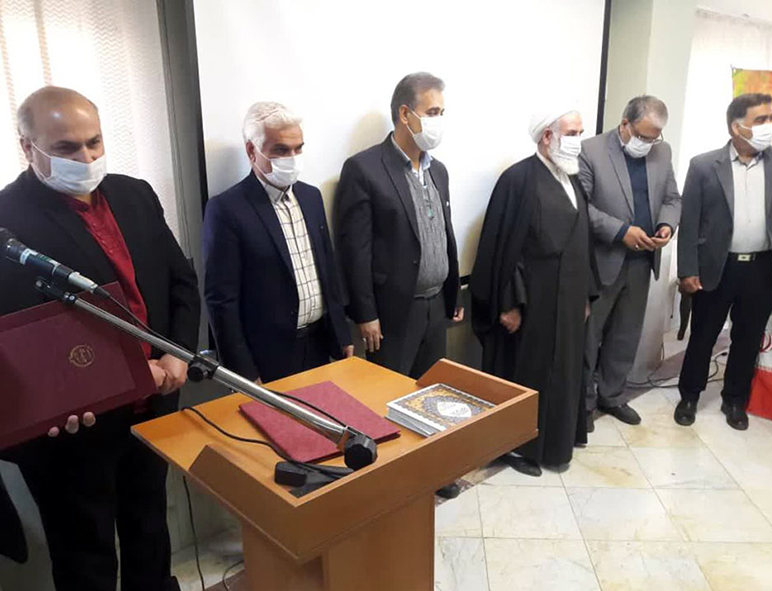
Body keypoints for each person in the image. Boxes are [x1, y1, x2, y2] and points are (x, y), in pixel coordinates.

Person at [0, 86, 200, 591]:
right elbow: (16, 343)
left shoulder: (135, 194)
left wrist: (177, 352)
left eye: (94, 142)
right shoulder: (7, 222)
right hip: (72, 434)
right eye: (66, 148)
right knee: (85, 559)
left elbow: (180, 281)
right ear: (27, 148)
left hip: (153, 407)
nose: (86, 158)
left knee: (150, 532)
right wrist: (101, 383)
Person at [335, 72, 463, 499]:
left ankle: (435, 472)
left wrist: (453, 292)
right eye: (433, 111)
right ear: (405, 114)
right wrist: (365, 313)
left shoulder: (438, 170)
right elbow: (354, 250)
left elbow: (443, 234)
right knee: (388, 401)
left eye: (442, 111)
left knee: (432, 395)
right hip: (392, 312)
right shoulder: (365, 169)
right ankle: (394, 484)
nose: (439, 120)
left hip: (435, 305)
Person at [471, 107, 597, 476]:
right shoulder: (518, 180)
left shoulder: (571, 178)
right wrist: (509, 304)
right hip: (531, 305)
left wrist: (585, 296)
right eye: (571, 133)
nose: (578, 141)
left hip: (569, 301)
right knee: (528, 375)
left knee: (565, 373)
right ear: (547, 136)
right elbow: (503, 249)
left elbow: (583, 239)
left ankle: (557, 441)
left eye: (580, 133)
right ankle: (519, 447)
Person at [204, 102, 353, 383]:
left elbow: (327, 269)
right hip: (268, 356)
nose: (292, 158)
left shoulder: (311, 197)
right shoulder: (227, 210)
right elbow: (221, 300)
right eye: (281, 150)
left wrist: (342, 334)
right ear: (252, 151)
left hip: (319, 344)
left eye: (298, 148)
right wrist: (243, 372)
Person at [675, 93, 772, 430]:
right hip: (717, 266)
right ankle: (689, 396)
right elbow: (690, 222)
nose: (768, 126)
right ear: (736, 127)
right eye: (760, 120)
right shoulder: (704, 165)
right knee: (703, 335)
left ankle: (734, 399)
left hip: (761, 267)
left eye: (770, 118)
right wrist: (687, 270)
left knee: (748, 337)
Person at [579, 95, 682, 429]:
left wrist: (666, 225)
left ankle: (611, 395)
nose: (648, 144)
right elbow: (581, 207)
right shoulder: (591, 150)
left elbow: (672, 198)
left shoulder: (662, 153)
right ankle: (584, 404)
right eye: (642, 136)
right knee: (589, 337)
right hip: (602, 261)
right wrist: (621, 231)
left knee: (625, 335)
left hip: (642, 261)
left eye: (654, 138)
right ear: (625, 124)